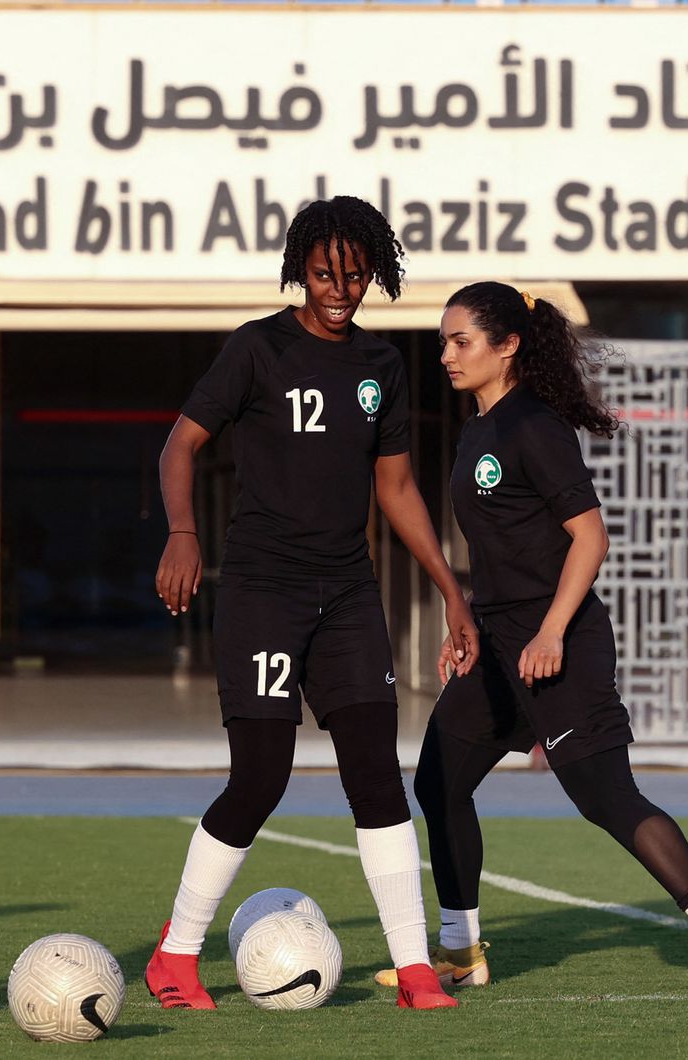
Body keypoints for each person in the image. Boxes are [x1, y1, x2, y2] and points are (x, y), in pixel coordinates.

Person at [383, 281, 688, 995]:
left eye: (460, 341)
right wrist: (464, 617)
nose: (446, 355)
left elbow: (591, 538)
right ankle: (462, 952)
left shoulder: (534, 425)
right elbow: (499, 546)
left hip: (559, 647)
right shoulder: (477, 430)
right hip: (496, 647)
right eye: (443, 342)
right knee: (440, 782)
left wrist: (552, 631)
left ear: (509, 345)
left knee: (604, 796)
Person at [145, 197, 478, 1012]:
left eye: (355, 274)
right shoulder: (257, 348)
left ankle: (414, 970)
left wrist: (451, 591)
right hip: (263, 589)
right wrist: (182, 531)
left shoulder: (383, 366)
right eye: (326, 273)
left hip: (349, 596)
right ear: (302, 268)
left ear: (373, 273)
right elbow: (181, 442)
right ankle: (174, 957)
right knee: (261, 779)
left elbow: (395, 488)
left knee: (376, 775)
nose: (340, 288)